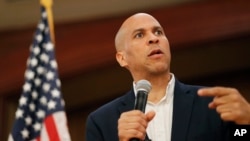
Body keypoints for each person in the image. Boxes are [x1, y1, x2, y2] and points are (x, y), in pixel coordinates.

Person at [85, 13, 250, 141]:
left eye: (158, 32)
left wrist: (246, 122)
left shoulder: (214, 103)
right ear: (122, 58)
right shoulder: (101, 122)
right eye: (139, 35)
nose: (153, 38)